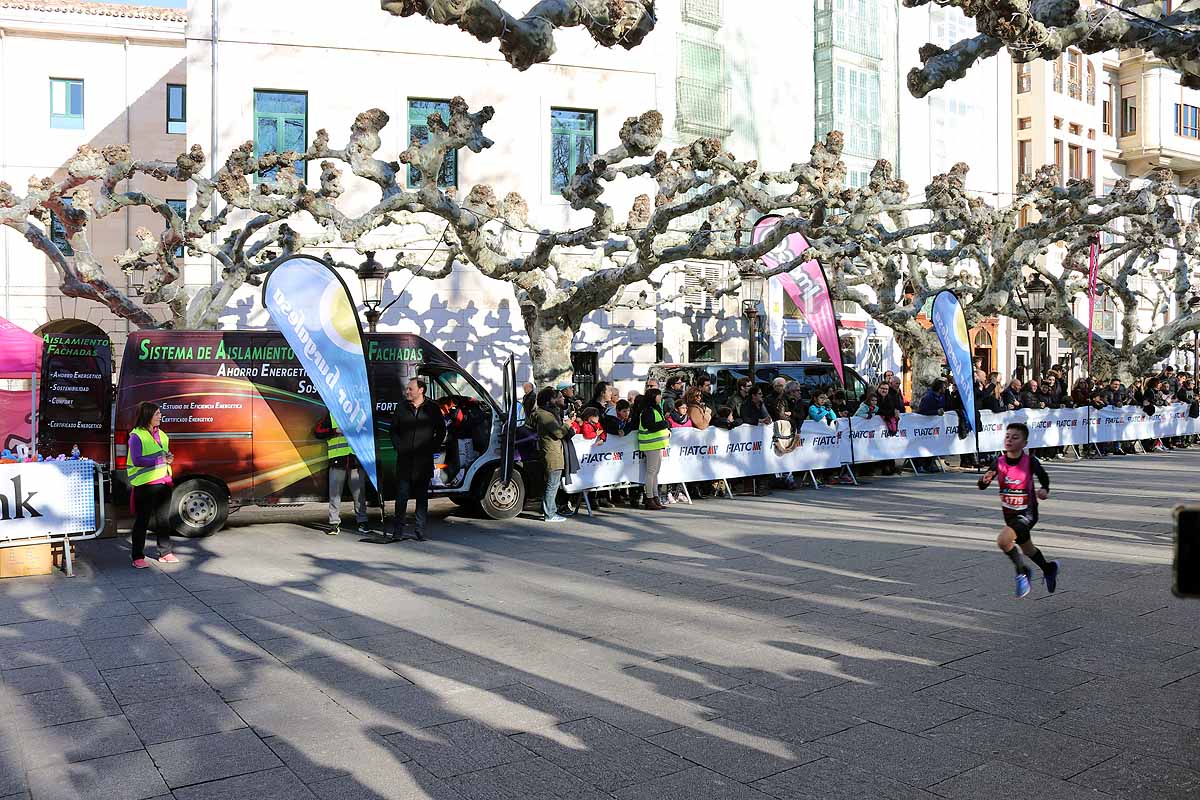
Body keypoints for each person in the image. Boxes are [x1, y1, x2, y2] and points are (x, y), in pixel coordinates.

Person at [977, 422, 1059, 598]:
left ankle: (1022, 572)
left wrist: (1044, 489)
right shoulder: (998, 462)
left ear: (1024, 443)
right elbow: (982, 484)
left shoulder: (1029, 461)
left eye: (1015, 437)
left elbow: (1044, 477)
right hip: (1010, 514)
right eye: (1007, 436)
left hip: (1027, 513)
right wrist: (984, 480)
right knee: (1028, 550)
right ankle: (1049, 568)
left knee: (1003, 541)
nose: (1010, 440)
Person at [386, 377, 445, 542]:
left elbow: (441, 431)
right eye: (407, 389)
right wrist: (399, 447)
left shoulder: (432, 408)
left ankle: (420, 530)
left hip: (423, 461)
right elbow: (393, 431)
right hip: (405, 460)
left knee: (421, 498)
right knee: (402, 496)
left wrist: (431, 447)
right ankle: (398, 531)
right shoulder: (401, 407)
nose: (407, 392)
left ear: (421, 390)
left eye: (410, 389)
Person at [126, 401, 178, 568]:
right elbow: (137, 460)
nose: (160, 416)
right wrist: (161, 459)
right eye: (157, 414)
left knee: (164, 520)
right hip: (145, 485)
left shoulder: (161, 434)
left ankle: (165, 552)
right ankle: (137, 557)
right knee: (142, 521)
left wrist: (168, 458)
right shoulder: (136, 436)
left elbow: (163, 454)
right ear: (148, 416)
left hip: (164, 482)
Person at [314, 412, 369, 536]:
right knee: (335, 494)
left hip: (355, 460)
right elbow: (318, 432)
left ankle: (362, 522)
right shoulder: (332, 414)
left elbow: (368, 431)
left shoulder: (359, 412)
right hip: (338, 460)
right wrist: (335, 431)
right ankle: (334, 523)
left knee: (359, 494)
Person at [531, 387, 573, 522]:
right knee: (552, 484)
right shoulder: (545, 415)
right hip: (552, 453)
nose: (562, 399)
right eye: (559, 397)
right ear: (551, 400)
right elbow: (559, 433)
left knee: (550, 483)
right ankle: (549, 513)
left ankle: (548, 510)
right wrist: (567, 424)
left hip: (551, 451)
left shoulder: (547, 413)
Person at [637, 387, 670, 510]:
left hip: (656, 445)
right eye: (658, 396)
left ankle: (655, 497)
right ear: (653, 397)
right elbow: (651, 426)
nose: (660, 398)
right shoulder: (648, 411)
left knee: (655, 473)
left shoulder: (655, 409)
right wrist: (665, 423)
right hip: (650, 445)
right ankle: (649, 498)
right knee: (651, 473)